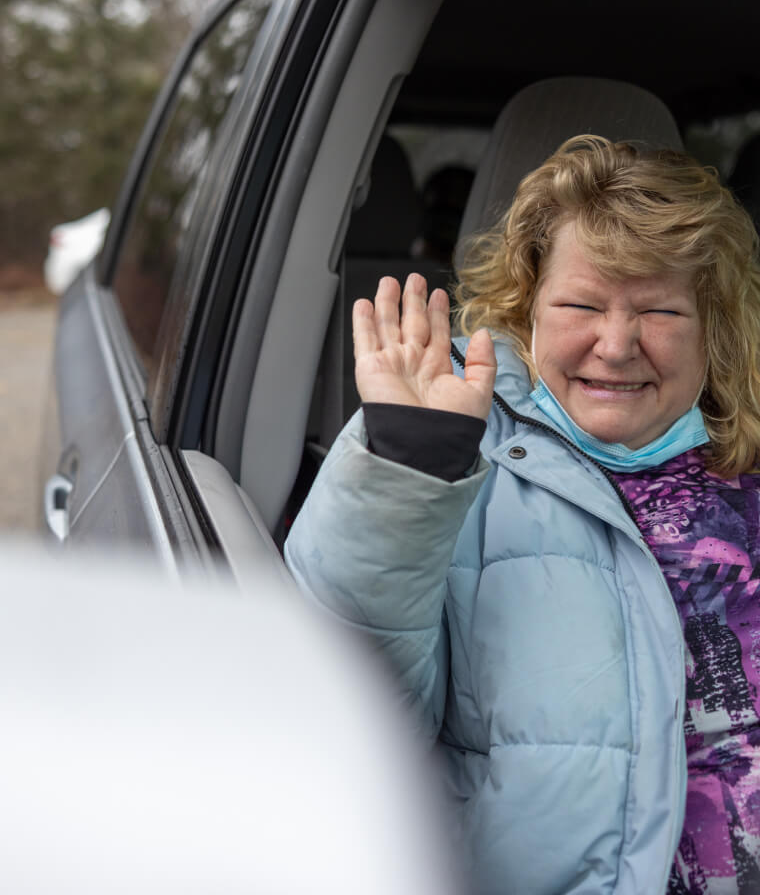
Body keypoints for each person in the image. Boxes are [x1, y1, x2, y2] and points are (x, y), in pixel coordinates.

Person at [285, 135, 760, 895]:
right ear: (524, 307)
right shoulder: (446, 442)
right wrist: (407, 469)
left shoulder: (745, 459)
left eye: (660, 309)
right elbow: (350, 720)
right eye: (581, 304)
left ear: (712, 324)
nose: (616, 343)